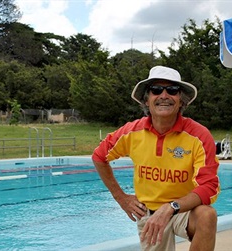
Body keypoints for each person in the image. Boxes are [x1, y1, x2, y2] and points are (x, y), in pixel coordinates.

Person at [92, 66, 220, 251]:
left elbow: (209, 187)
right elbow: (99, 156)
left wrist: (171, 207)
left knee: (207, 216)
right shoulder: (131, 132)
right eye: (156, 90)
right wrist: (120, 197)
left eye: (172, 90)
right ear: (147, 99)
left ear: (181, 100)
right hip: (149, 214)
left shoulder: (198, 135)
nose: (164, 95)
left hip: (183, 210)